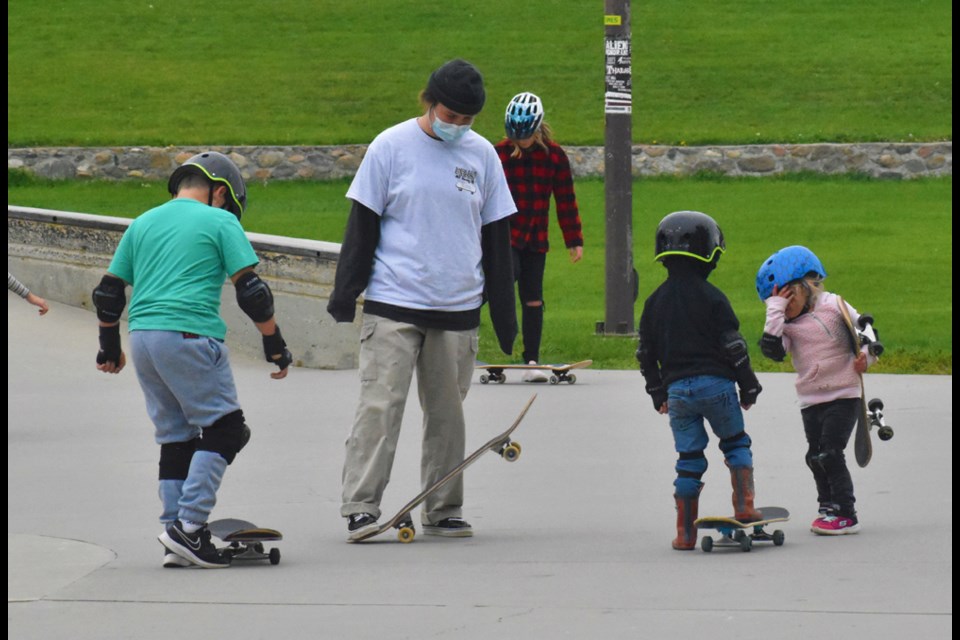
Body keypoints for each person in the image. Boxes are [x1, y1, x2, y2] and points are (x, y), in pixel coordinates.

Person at [327, 58, 517, 541]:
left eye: (466, 119)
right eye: (449, 115)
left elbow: (497, 239)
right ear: (429, 102)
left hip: (457, 308)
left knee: (448, 417)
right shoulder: (390, 147)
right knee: (380, 407)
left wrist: (505, 316)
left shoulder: (483, 158)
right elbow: (361, 227)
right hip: (394, 303)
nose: (456, 126)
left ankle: (443, 506)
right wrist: (345, 293)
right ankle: (361, 505)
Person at [92, 151, 293, 568]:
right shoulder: (220, 221)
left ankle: (174, 534)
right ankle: (190, 526)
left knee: (176, 435)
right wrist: (274, 343)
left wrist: (109, 346)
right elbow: (251, 290)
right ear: (220, 192)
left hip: (144, 337)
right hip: (189, 334)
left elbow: (109, 292)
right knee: (226, 429)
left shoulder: (143, 221)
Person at [636, 210, 764, 550]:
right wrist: (748, 384)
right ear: (708, 254)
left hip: (677, 393)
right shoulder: (713, 297)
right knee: (735, 443)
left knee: (689, 460)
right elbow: (733, 346)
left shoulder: (653, 303)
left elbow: (645, 354)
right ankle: (745, 506)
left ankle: (684, 534)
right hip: (717, 387)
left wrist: (656, 392)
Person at [756, 245, 875, 535]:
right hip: (811, 399)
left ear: (807, 285)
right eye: (777, 302)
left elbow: (866, 330)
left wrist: (868, 356)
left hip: (843, 393)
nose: (786, 307)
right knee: (814, 456)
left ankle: (847, 514)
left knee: (831, 453)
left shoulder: (834, 305)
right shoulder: (785, 324)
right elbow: (773, 350)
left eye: (788, 298)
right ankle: (827, 506)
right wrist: (776, 312)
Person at [494, 92, 583, 382]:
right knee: (504, 280)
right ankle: (461, 335)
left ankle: (532, 360)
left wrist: (574, 240)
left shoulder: (554, 157)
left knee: (533, 298)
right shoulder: (498, 154)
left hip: (536, 237)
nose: (521, 142)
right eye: (516, 137)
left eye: (526, 136)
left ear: (537, 127)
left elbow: (565, 199)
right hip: (504, 234)